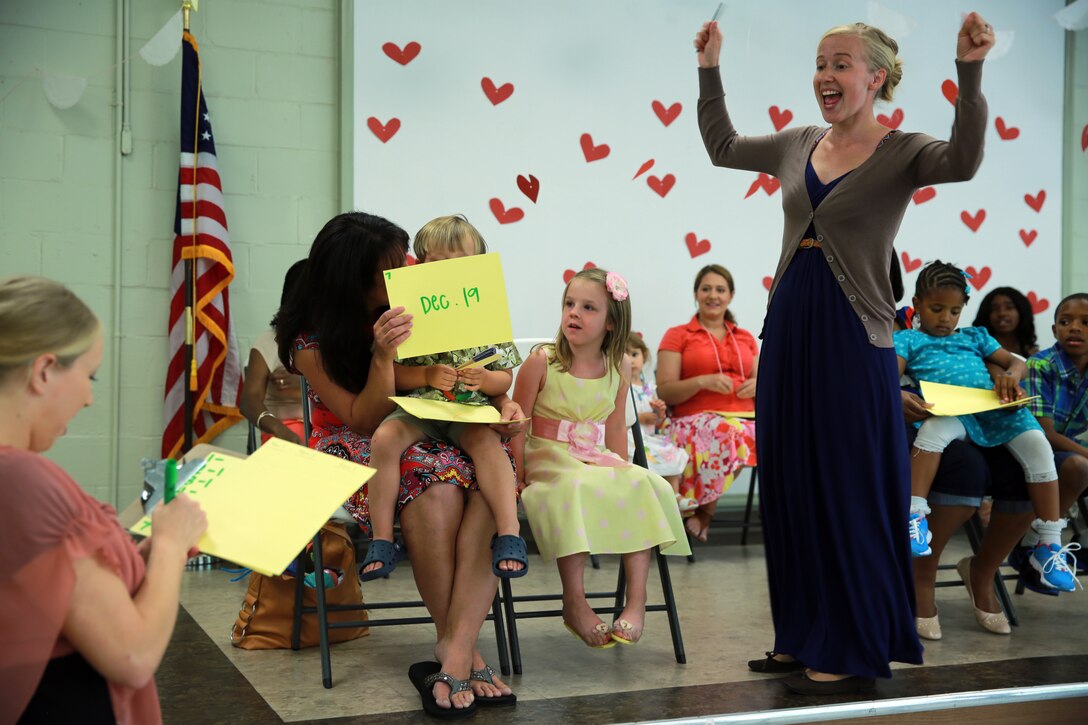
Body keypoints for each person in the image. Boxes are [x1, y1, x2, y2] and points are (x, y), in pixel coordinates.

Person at [694, 12, 993, 693]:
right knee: (794, 486)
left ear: (875, 77)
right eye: (820, 63)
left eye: (839, 64)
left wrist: (969, 72)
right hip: (790, 322)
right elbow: (720, 144)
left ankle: (853, 639)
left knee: (849, 488)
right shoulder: (798, 142)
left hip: (853, 333)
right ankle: (800, 632)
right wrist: (709, 66)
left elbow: (967, 160)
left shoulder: (904, 149)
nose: (824, 76)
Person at [272, 212, 523, 716]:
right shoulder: (309, 341)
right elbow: (361, 420)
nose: (403, 273)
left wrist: (502, 401)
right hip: (360, 438)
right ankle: (462, 648)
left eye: (404, 262)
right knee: (436, 484)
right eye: (389, 268)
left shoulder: (413, 286)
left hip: (438, 415)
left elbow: (480, 347)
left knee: (486, 478)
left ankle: (453, 650)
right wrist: (384, 356)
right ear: (355, 281)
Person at [0, 276, 208, 724]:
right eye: (89, 376)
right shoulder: (20, 475)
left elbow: (49, 589)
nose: (90, 398)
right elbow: (133, 655)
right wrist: (171, 545)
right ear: (43, 371)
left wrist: (143, 559)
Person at [513, 268, 690, 648]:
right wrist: (517, 475)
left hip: (596, 455)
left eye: (588, 307)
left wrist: (623, 469)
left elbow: (614, 431)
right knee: (574, 487)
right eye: (569, 304)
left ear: (611, 323)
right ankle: (574, 601)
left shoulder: (619, 365)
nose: (574, 313)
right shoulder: (541, 362)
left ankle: (637, 601)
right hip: (548, 457)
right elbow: (516, 425)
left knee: (642, 483)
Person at [363, 215, 526, 582]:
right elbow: (392, 374)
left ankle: (510, 533)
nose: (447, 273)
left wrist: (486, 380)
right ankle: (382, 538)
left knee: (488, 442)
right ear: (419, 267)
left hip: (467, 411)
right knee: (385, 438)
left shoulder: (487, 315)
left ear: (477, 267)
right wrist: (425, 375)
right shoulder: (404, 315)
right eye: (436, 263)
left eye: (459, 263)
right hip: (418, 409)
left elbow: (504, 378)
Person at [894, 261, 1075, 590]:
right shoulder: (908, 340)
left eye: (954, 311)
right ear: (918, 304)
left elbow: (1016, 362)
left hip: (991, 408)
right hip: (950, 410)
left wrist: (1010, 376)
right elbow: (890, 376)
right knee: (932, 434)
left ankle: (1048, 542)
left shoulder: (977, 336)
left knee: (1038, 446)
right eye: (936, 309)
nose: (946, 319)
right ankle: (914, 516)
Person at [656, 264, 758, 542]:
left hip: (744, 418)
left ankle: (700, 509)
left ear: (731, 295)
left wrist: (760, 385)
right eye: (706, 289)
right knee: (732, 433)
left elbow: (764, 382)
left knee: (775, 433)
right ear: (696, 294)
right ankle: (705, 514)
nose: (713, 295)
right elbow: (665, 391)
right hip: (690, 421)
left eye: (720, 289)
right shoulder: (678, 335)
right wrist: (702, 381)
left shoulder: (746, 337)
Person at [1015, 293, 1088, 585]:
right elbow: (1045, 432)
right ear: (1054, 329)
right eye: (1065, 321)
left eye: (1085, 322)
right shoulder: (1040, 365)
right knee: (1079, 467)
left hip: (1063, 449)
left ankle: (1033, 540)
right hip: (1030, 447)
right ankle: (1041, 545)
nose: (1075, 328)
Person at [625, 332, 694, 512]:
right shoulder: (620, 386)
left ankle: (675, 495)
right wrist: (641, 418)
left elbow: (658, 421)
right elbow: (616, 417)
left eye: (634, 354)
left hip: (648, 436)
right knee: (644, 457)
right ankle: (655, 499)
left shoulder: (650, 388)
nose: (631, 360)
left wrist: (659, 412)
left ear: (644, 356)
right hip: (629, 437)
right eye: (624, 355)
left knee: (670, 452)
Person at [240, 259, 306, 445]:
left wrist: (303, 382)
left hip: (328, 431)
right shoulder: (269, 341)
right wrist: (279, 429)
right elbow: (249, 401)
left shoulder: (334, 342)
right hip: (286, 431)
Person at [972, 287, 1039, 359]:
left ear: (1022, 312)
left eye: (1009, 307)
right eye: (994, 309)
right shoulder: (974, 351)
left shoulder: (1035, 356)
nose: (1002, 313)